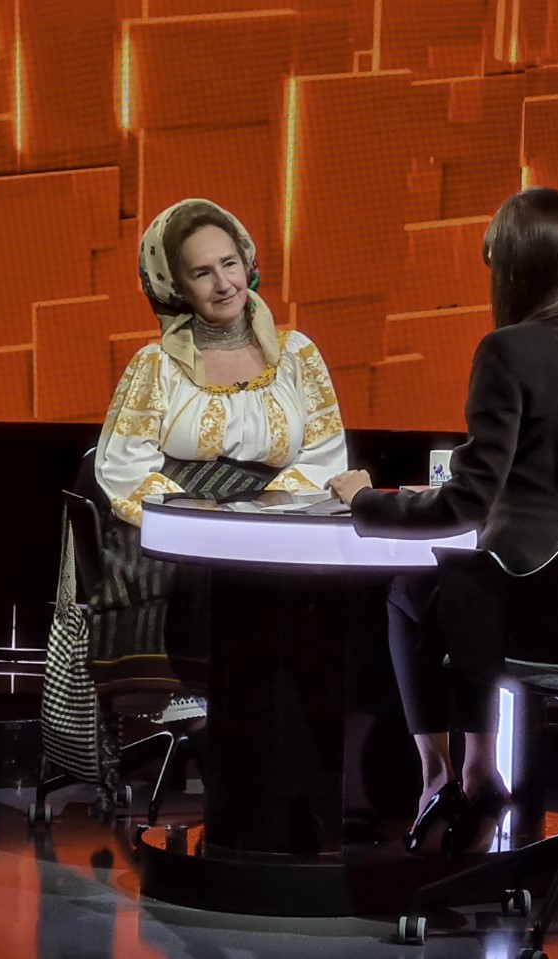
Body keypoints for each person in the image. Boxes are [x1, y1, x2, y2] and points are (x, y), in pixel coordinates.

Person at [327, 186, 558, 856]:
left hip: (527, 610)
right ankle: (477, 771)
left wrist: (364, 499)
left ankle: (445, 772)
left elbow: (462, 504)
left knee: (412, 592)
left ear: (516, 270)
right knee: (463, 590)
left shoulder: (508, 351)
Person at [90, 197, 349, 692]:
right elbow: (123, 464)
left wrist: (263, 516)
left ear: (247, 265)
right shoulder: (155, 365)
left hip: (277, 521)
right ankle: (185, 696)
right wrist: (196, 519)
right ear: (177, 286)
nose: (224, 283)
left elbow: (324, 453)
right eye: (202, 273)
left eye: (229, 264)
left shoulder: (298, 356)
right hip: (181, 525)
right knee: (199, 571)